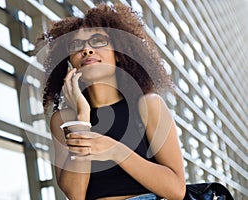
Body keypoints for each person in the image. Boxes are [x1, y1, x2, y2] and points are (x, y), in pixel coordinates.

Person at [40, 3, 186, 200]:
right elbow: (75, 195)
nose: (87, 50)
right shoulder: (63, 120)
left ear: (118, 53)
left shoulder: (149, 105)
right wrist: (82, 119)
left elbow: (176, 190)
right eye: (76, 46)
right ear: (69, 62)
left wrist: (115, 150)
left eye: (98, 41)